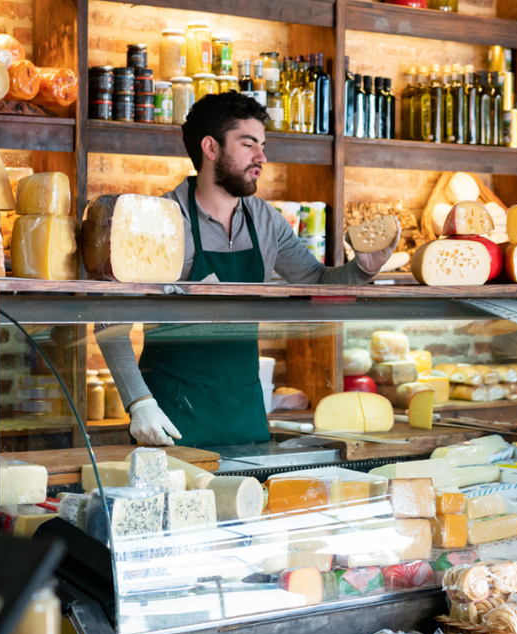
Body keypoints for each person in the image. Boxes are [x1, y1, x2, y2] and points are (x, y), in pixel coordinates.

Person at [98, 92, 399, 448]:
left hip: (246, 412)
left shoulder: (266, 220)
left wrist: (362, 269)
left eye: (263, 145)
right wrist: (139, 402)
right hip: (173, 415)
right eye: (248, 144)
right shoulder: (161, 220)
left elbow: (317, 283)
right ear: (210, 148)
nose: (262, 158)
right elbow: (109, 319)